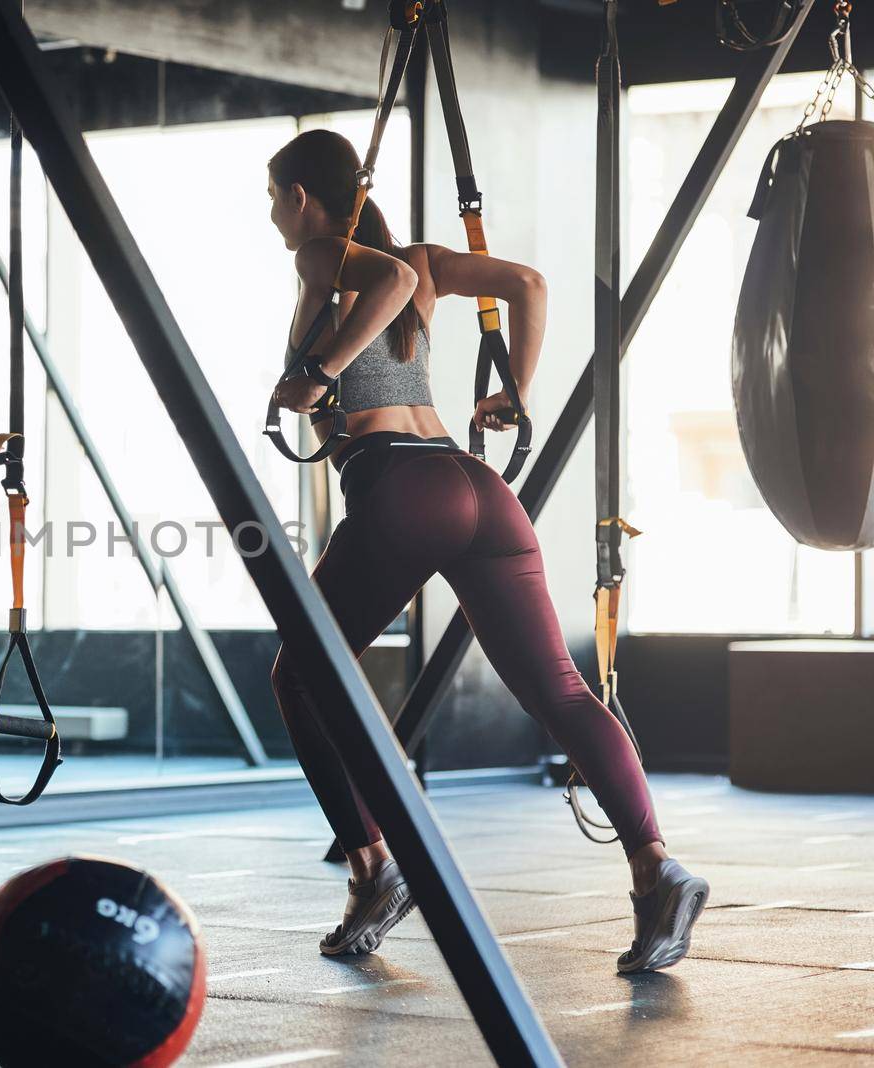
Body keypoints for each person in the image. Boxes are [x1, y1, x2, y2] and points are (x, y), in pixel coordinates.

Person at [265, 129, 707, 974]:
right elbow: (527, 283)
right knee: (566, 694)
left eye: (273, 199)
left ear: (300, 196)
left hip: (398, 486)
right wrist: (518, 388)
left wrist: (319, 372)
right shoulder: (424, 260)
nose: (273, 217)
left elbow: (385, 283)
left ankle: (370, 867)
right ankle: (658, 870)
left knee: (300, 673)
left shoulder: (325, 253)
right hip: (478, 491)